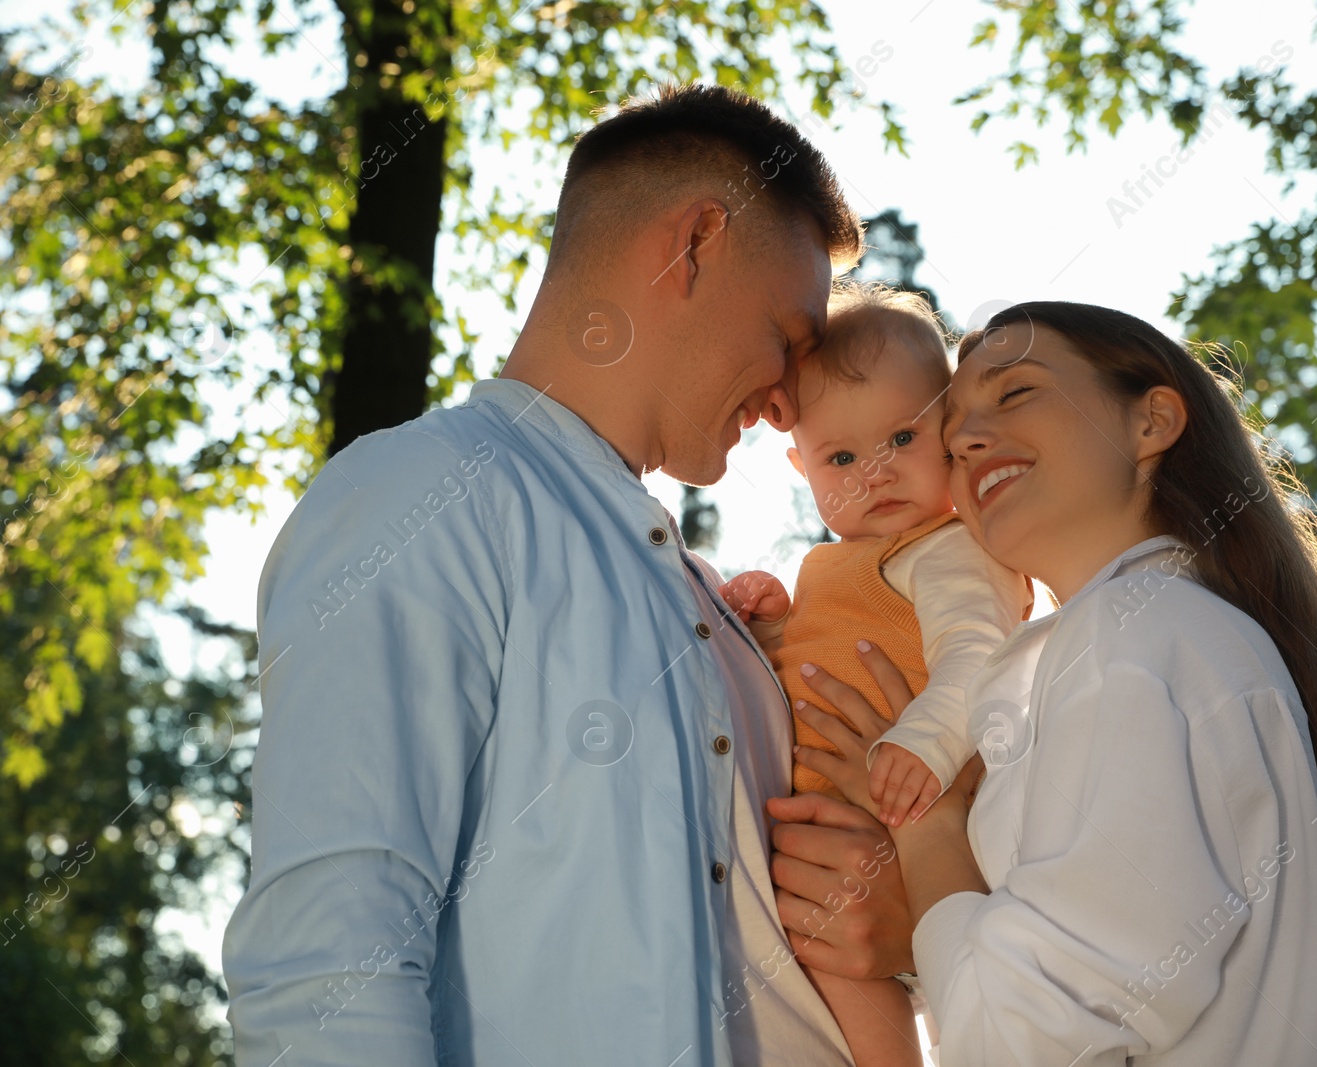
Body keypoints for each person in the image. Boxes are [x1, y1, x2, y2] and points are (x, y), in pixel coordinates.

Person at [221, 84, 873, 1067]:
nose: (788, 401)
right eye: (786, 335)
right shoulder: (427, 493)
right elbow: (324, 970)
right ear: (693, 243)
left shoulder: (712, 605)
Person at [770, 302, 1317, 1065]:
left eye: (1015, 392)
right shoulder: (1144, 641)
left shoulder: (1132, 643)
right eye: (953, 424)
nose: (963, 437)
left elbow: (1020, 1037)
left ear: (1151, 420)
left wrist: (924, 828)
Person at [718, 282, 1030, 1065]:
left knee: (850, 979)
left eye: (901, 438)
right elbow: (822, 652)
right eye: (843, 457)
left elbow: (976, 654)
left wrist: (922, 741)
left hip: (904, 810)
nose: (875, 474)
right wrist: (771, 622)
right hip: (839, 815)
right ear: (803, 466)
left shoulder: (949, 549)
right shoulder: (837, 564)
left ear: (953, 430)